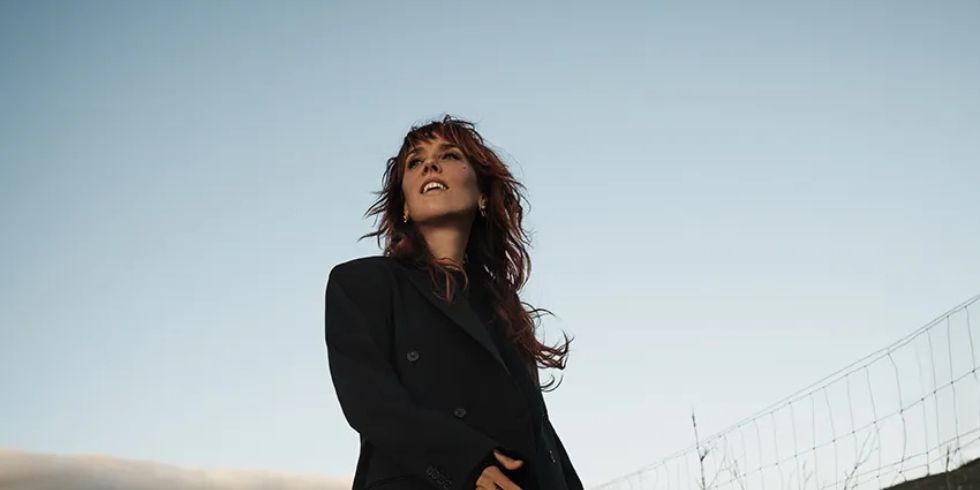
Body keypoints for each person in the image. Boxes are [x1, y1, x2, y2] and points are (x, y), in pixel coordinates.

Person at [324, 114, 583, 489]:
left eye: (450, 155)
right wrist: (465, 462)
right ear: (405, 208)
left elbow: (542, 436)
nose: (430, 164)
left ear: (481, 195)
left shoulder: (505, 312)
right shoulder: (362, 283)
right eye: (415, 162)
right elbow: (371, 401)